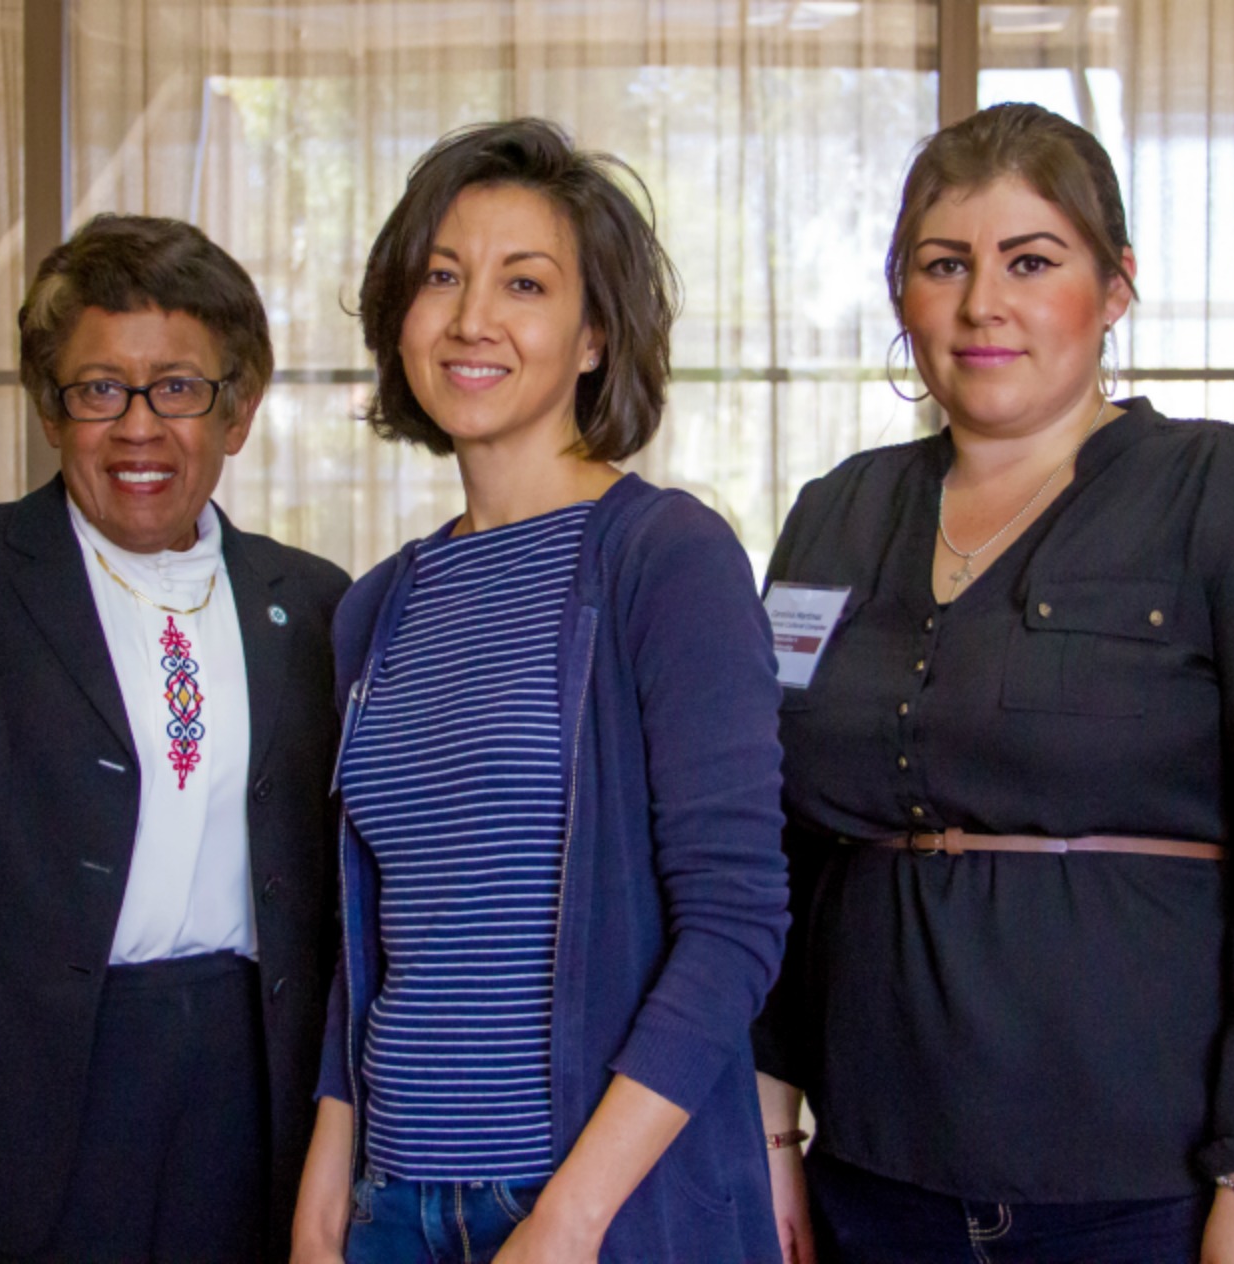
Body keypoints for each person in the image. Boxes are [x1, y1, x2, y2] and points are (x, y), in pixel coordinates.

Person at [753, 103, 1234, 1264]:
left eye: (1029, 262)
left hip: (1170, 1189)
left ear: (1112, 289)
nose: (980, 302)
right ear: (902, 296)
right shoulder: (833, 515)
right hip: (880, 1182)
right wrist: (766, 1125)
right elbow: (779, 845)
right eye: (942, 265)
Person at [287, 119, 790, 1264]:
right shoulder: (375, 608)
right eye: (440, 277)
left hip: (596, 1208)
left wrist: (569, 1217)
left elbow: (733, 924)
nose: (472, 319)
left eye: (525, 283)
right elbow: (373, 934)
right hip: (391, 1205)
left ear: (593, 334)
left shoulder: (663, 557)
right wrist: (325, 1195)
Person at [0, 213, 349, 1263]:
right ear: (52, 412)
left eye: (178, 387)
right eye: (99, 388)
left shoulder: (317, 603)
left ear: (236, 411)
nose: (138, 425)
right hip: (23, 1107)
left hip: (251, 1097)